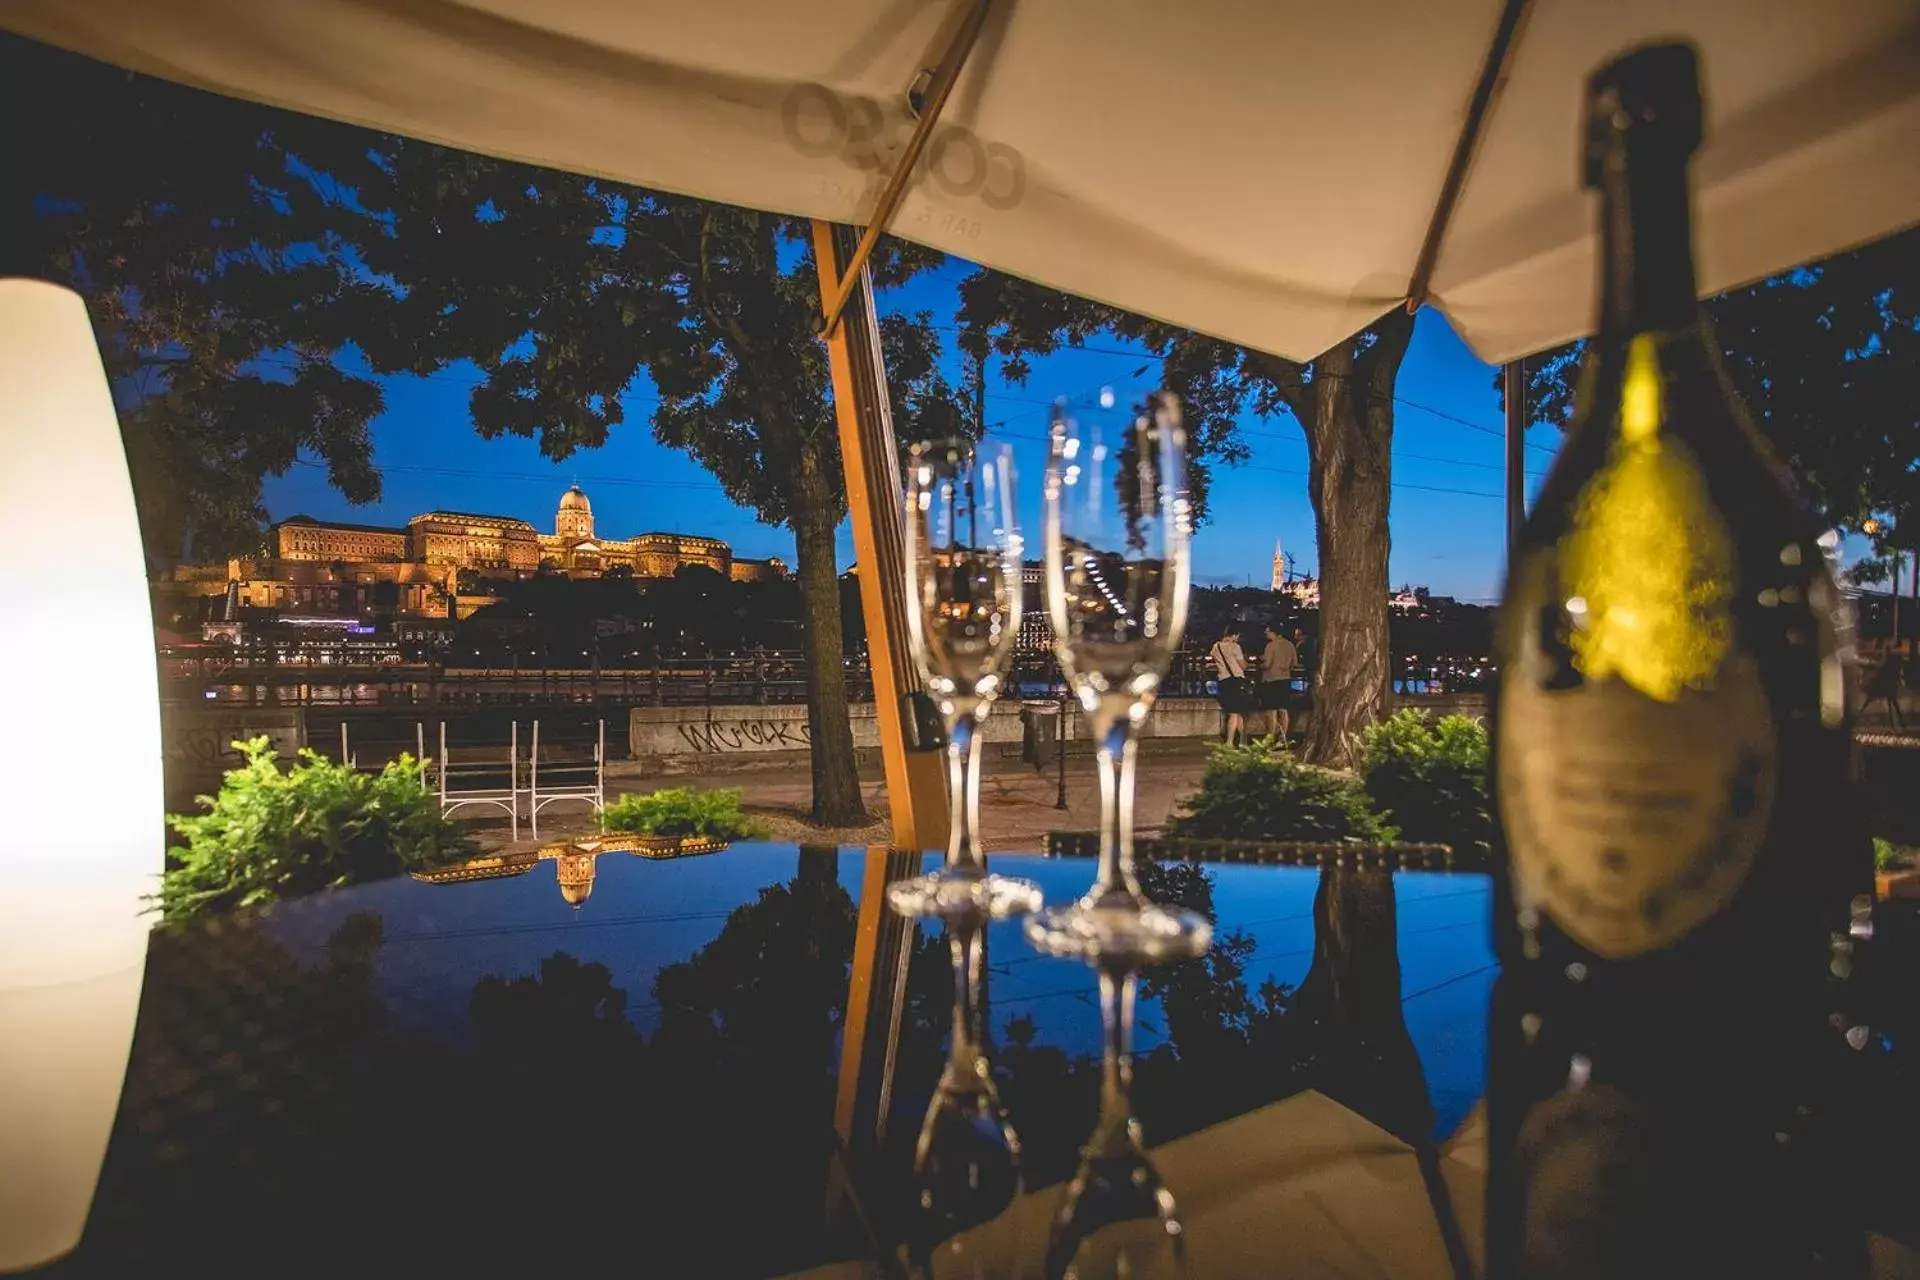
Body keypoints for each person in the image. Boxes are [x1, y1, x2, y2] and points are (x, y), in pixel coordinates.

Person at [1208, 623, 1251, 745]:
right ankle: (1230, 741)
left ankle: (1243, 741)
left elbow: (1216, 660)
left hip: (1223, 680)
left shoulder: (1216, 647)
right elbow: (1243, 666)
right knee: (1235, 712)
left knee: (1235, 712)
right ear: (1234, 635)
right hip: (1236, 681)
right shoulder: (1235, 647)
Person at [1257, 622, 1298, 743]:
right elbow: (1295, 664)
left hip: (1271, 679)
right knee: (1283, 709)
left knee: (1272, 710)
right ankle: (1283, 737)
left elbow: (1267, 664)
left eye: (1267, 632)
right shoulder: (1290, 645)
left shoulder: (1271, 646)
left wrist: (1261, 664)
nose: (1266, 634)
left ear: (1273, 632)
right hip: (1285, 679)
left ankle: (1270, 737)